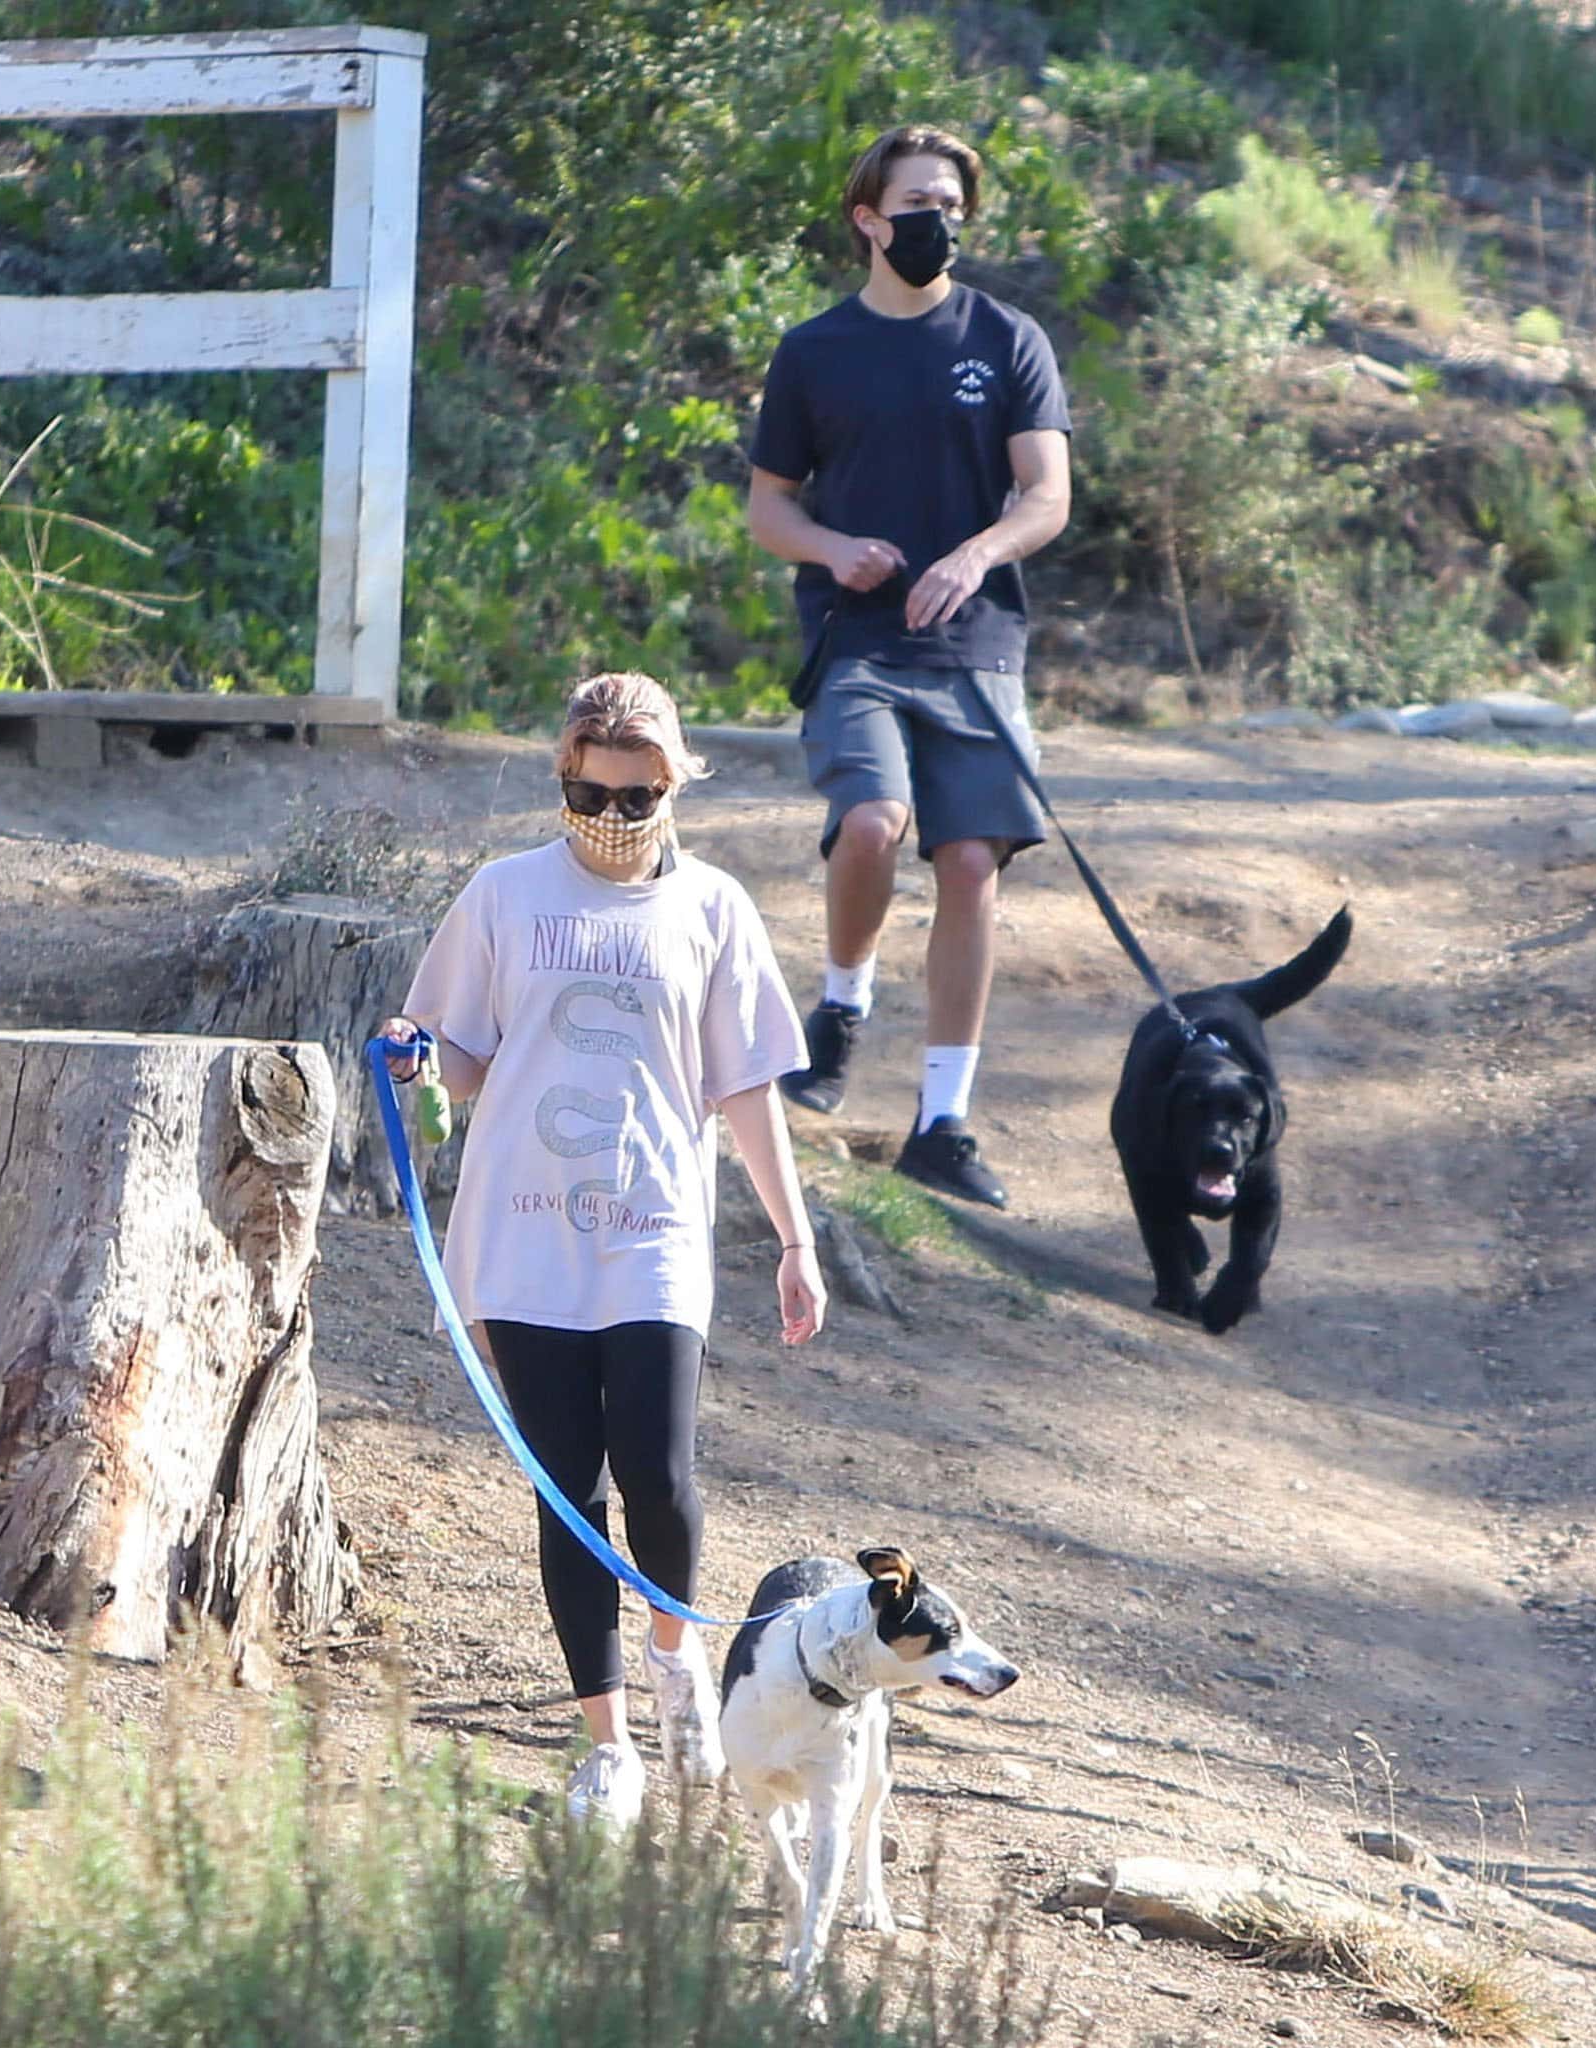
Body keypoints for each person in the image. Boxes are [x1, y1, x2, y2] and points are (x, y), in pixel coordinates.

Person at [381, 672, 826, 1833]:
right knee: (566, 1490)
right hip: (520, 1231)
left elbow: (744, 1086)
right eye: (590, 790)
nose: (612, 816)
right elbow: (463, 1053)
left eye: (636, 795)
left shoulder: (715, 906)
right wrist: (418, 1060)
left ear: (671, 785)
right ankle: (606, 1743)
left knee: (659, 1472)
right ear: (561, 776)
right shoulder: (503, 893)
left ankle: (676, 1656)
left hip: (652, 1229)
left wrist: (794, 1236)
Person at [748, 122, 1072, 1210]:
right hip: (858, 642)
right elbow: (767, 503)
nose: (940, 221)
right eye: (919, 202)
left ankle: (943, 1118)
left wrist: (976, 554)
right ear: (868, 218)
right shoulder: (815, 351)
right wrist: (835, 549)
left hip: (976, 645)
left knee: (972, 862)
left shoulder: (1006, 338)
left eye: (953, 204)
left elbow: (1045, 494)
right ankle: (840, 1004)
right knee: (872, 824)